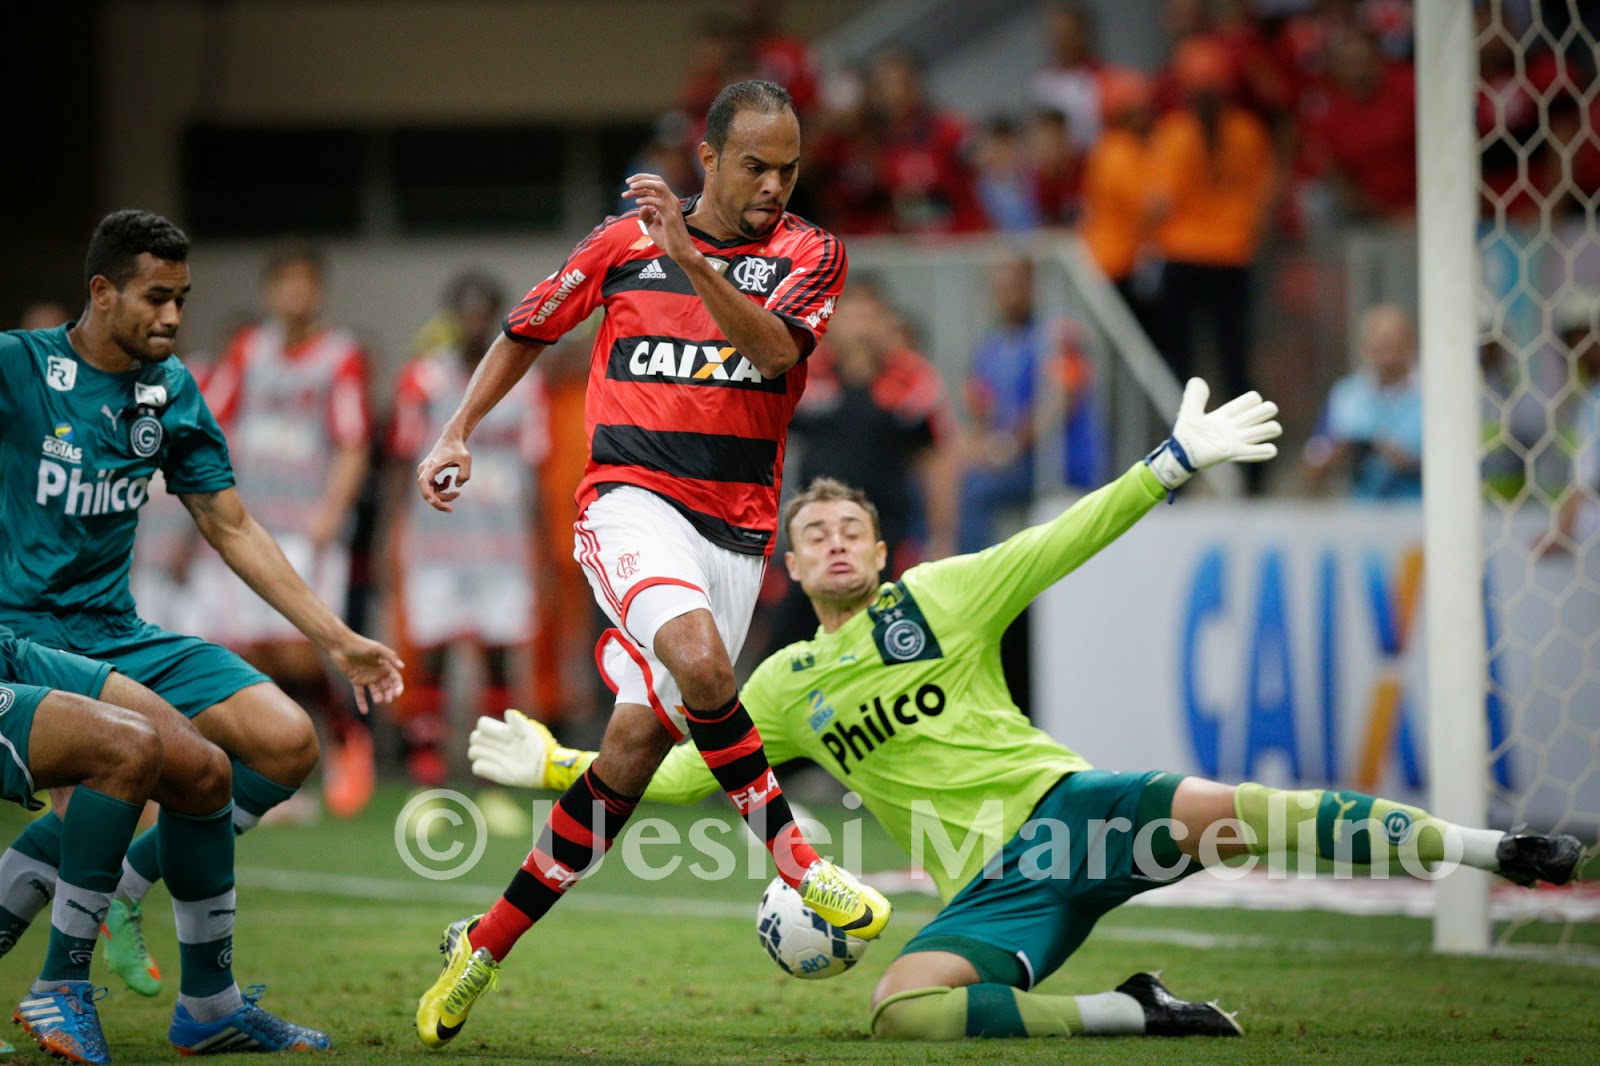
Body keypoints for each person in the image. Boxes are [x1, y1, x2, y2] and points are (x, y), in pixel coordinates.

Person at [468, 378, 1584, 1043]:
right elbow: (681, 773)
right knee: (903, 1013)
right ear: (788, 570)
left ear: (881, 547)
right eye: (812, 535)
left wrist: (1169, 462)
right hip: (995, 891)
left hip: (1074, 809)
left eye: (850, 525)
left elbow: (1065, 537)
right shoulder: (776, 688)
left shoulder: (943, 593)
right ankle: (1136, 1012)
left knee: (1261, 810)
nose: (834, 539)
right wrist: (565, 763)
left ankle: (1499, 848)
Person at [411, 80, 890, 1049]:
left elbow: (766, 351)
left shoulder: (810, 254)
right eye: (755, 164)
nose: (774, 183)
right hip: (628, 506)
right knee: (708, 666)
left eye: (789, 166)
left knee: (630, 754)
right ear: (706, 158)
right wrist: (456, 429)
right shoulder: (622, 243)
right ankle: (800, 862)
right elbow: (526, 328)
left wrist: (692, 259)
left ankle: (482, 945)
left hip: (735, 534)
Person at [0, 210, 403, 1025]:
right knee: (180, 762)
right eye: (156, 298)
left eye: (182, 298)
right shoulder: (18, 366)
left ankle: (140, 911)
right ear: (103, 293)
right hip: (23, 633)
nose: (174, 318)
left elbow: (230, 526)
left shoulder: (169, 388)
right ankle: (124, 992)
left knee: (286, 741)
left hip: (116, 628)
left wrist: (337, 639)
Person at [199, 241, 378, 817]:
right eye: (285, 284)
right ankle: (278, 772)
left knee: (300, 648)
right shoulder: (247, 351)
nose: (296, 295)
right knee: (254, 651)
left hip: (308, 527)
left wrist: (332, 509)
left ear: (318, 291)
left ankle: (347, 739)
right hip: (251, 523)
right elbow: (214, 423)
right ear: (270, 292)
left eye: (306, 284)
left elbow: (353, 442)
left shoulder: (340, 356)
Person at [387, 273, 546, 787]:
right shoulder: (423, 379)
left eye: (485, 312)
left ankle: (493, 781)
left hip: (502, 548)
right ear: (452, 317)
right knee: (431, 657)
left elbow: (534, 473)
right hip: (437, 544)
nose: (476, 322)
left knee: (498, 661)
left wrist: (540, 552)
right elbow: (399, 462)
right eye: (467, 311)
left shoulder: (526, 383)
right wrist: (394, 534)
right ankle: (427, 773)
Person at [959, 255, 1105, 553]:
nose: (1006, 297)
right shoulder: (991, 346)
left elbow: (1061, 400)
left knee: (974, 491)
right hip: (1015, 463)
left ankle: (977, 588)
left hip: (1062, 463)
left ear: (1031, 287)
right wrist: (979, 448)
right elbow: (979, 408)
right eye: (999, 289)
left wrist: (1011, 446)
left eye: (1013, 287)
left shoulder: (1059, 336)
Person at [1303, 303, 1422, 499]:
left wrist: (1406, 461)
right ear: (1365, 346)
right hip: (1361, 519)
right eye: (1379, 341)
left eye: (1393, 341)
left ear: (1411, 343)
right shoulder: (1345, 395)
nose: (1386, 350)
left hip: (1421, 515)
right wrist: (1338, 455)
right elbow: (1313, 465)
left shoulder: (1433, 394)